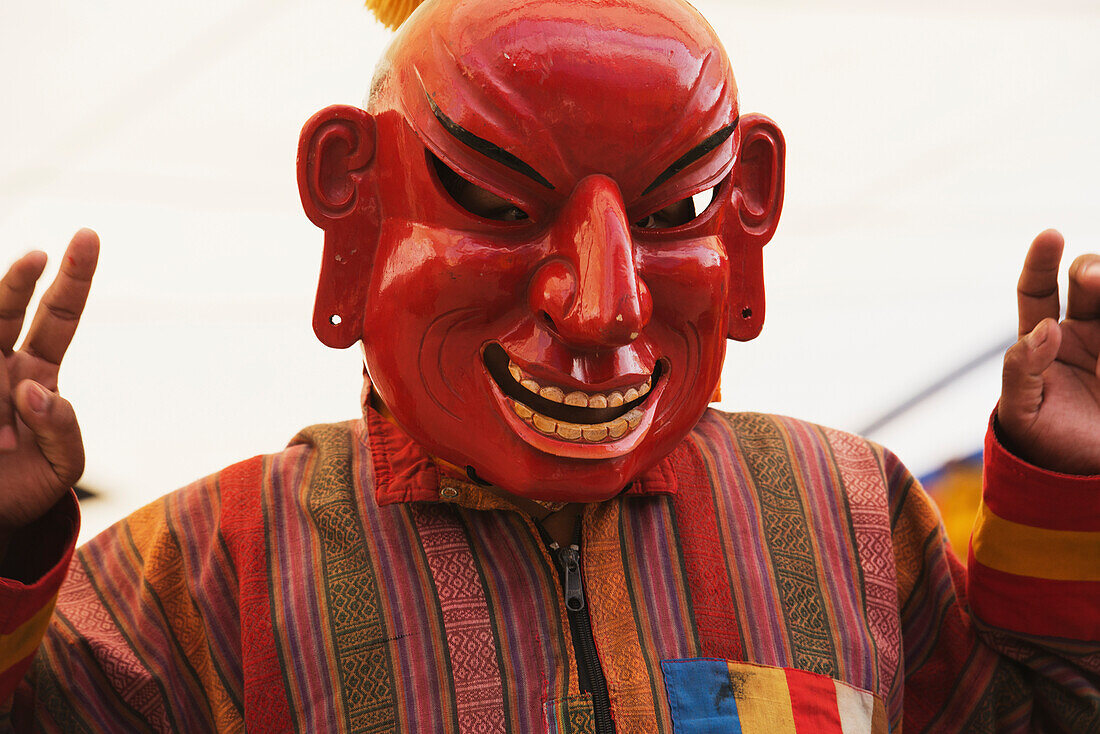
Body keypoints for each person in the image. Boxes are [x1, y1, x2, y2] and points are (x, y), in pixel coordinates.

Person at [1, 0, 1098, 731]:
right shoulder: (203, 572)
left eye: (674, 210)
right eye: (493, 199)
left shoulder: (843, 515)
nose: (602, 302)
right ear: (352, 195)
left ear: (750, 206)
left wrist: (1067, 493)